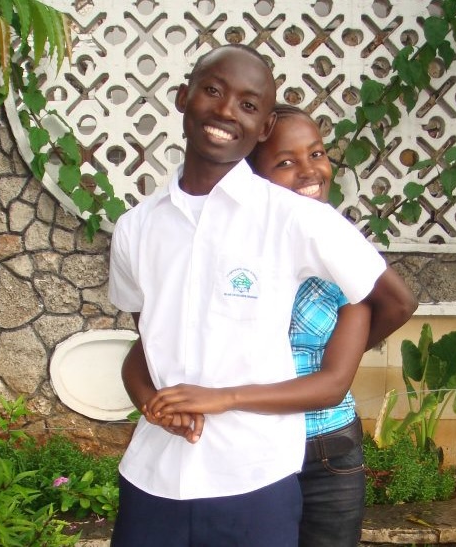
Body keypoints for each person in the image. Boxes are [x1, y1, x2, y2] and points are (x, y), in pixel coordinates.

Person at [108, 44, 391, 547]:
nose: (224, 111)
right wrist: (155, 403)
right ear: (183, 97)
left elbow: (386, 298)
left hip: (254, 478)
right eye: (213, 91)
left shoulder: (295, 218)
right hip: (154, 476)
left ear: (262, 127)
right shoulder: (136, 228)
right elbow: (147, 343)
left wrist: (315, 367)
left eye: (247, 103)